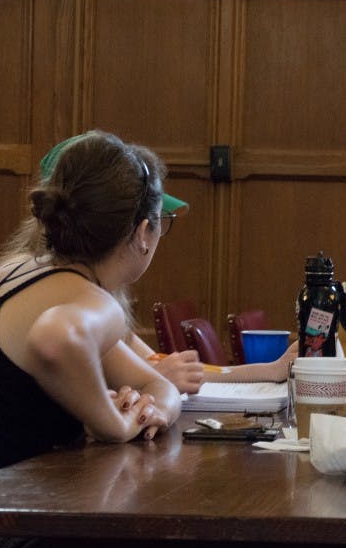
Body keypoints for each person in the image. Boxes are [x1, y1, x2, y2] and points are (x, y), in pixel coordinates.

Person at [0, 131, 246, 548]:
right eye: (162, 226)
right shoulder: (92, 301)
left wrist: (148, 405)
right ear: (143, 233)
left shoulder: (20, 270)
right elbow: (55, 342)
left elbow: (152, 380)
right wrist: (113, 423)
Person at [34, 134, 295, 394]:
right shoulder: (72, 296)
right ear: (140, 231)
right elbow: (103, 410)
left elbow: (160, 367)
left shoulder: (83, 288)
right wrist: (153, 383)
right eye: (162, 219)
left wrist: (272, 369)